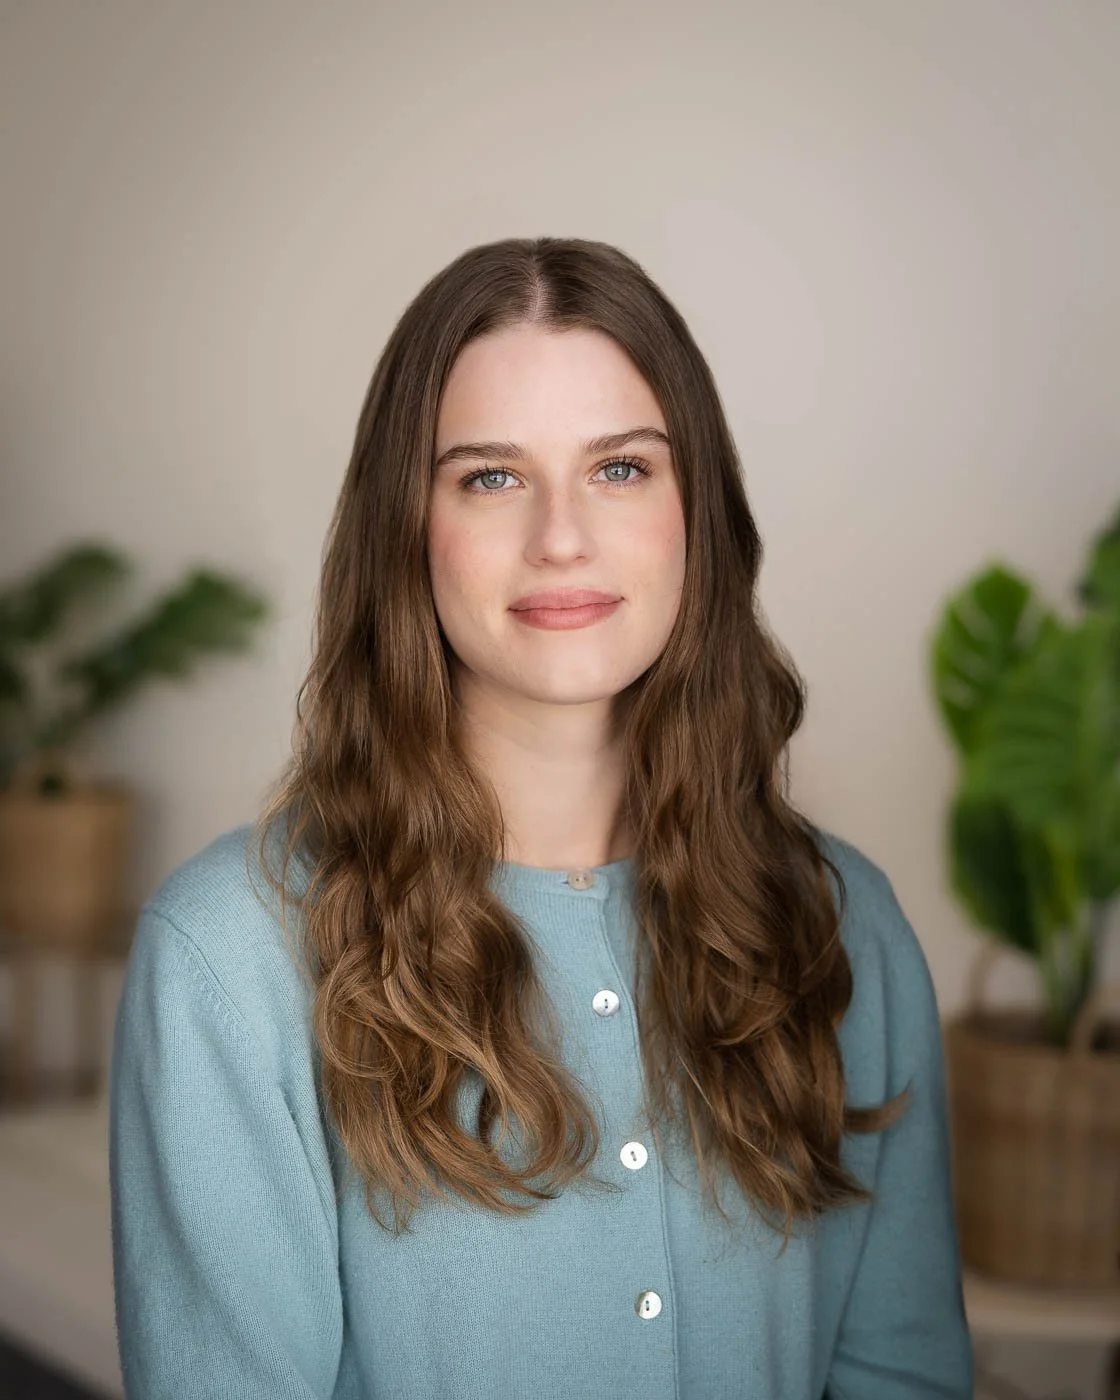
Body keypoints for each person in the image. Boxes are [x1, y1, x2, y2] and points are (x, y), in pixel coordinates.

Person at [108, 236, 973, 1398]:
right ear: (405, 528)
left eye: (620, 468)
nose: (560, 535)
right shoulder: (226, 955)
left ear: (695, 512)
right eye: (491, 476)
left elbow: (900, 1371)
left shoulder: (841, 922)